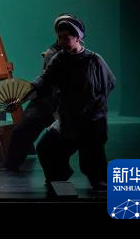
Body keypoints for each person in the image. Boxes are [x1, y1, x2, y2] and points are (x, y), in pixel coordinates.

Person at [31, 15, 115, 191]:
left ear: (78, 38)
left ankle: (100, 181)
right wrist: (30, 89)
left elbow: (108, 84)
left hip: (91, 118)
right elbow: (46, 79)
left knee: (92, 154)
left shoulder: (94, 60)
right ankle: (58, 178)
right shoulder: (60, 59)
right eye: (60, 38)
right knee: (46, 147)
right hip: (68, 117)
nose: (62, 42)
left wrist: (94, 109)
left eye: (66, 38)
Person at [0, 18, 65, 172]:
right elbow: (42, 80)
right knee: (22, 130)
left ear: (78, 37)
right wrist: (20, 100)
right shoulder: (53, 54)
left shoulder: (88, 59)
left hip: (66, 104)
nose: (63, 38)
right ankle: (13, 161)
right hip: (45, 100)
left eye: (67, 34)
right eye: (60, 34)